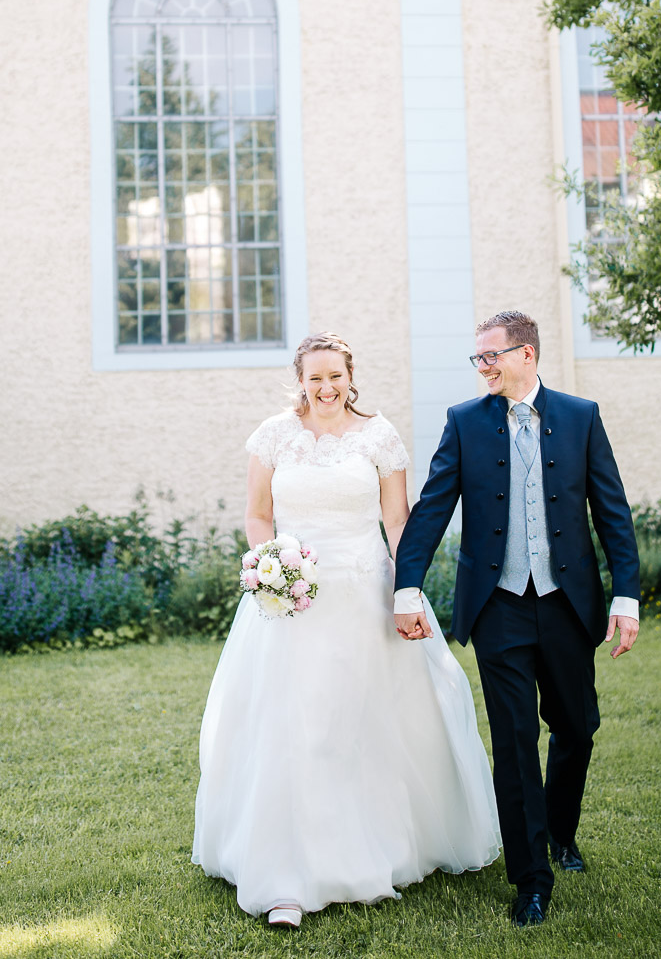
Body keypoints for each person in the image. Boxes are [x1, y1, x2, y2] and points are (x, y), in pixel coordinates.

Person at [192, 332, 500, 928]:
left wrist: (405, 591)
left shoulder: (378, 435)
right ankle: (283, 875)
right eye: (315, 379)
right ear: (300, 381)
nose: (326, 388)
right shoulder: (274, 436)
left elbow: (398, 519)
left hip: (366, 592)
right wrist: (272, 563)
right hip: (293, 601)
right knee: (292, 724)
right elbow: (258, 514)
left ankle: (376, 850)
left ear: (350, 376)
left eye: (335, 377)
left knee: (366, 720)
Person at [393, 311, 640, 929]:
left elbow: (612, 511)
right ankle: (532, 878)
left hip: (566, 603)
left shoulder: (581, 417)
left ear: (526, 354)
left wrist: (626, 595)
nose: (483, 367)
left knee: (577, 726)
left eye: (491, 357)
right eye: (477, 359)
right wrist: (405, 586)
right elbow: (430, 510)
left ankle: (559, 831)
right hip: (498, 605)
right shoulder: (463, 423)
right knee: (513, 741)